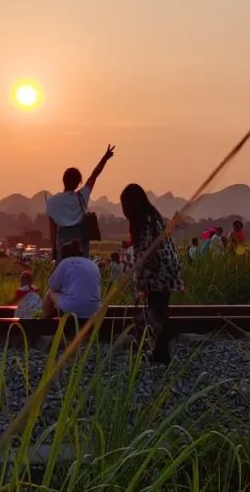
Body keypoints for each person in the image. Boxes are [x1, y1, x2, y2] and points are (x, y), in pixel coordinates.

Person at [121, 184, 183, 363]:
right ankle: (160, 354)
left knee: (155, 312)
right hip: (168, 270)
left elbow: (143, 255)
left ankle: (165, 337)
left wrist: (139, 283)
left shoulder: (142, 222)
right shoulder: (154, 216)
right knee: (159, 309)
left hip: (156, 272)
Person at [46, 145, 115, 260]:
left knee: (65, 272)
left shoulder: (53, 202)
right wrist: (105, 158)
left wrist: (54, 249)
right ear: (78, 183)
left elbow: (52, 229)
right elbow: (94, 175)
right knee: (81, 268)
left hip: (63, 241)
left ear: (63, 180)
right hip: (81, 240)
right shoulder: (82, 196)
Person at [43, 239, 102, 323]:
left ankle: (45, 323)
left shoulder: (65, 263)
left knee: (50, 293)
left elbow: (53, 286)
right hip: (95, 309)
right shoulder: (92, 264)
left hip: (73, 308)